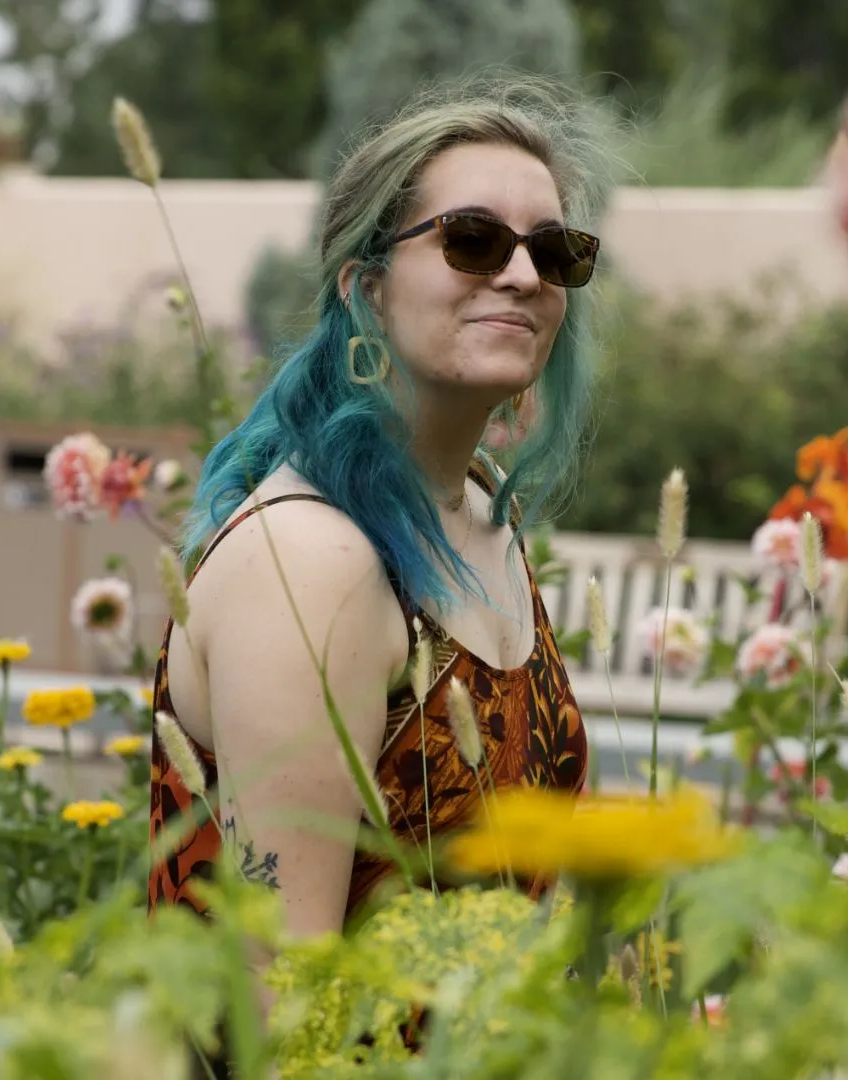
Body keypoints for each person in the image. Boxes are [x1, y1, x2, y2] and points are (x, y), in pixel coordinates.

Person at [147, 71, 609, 1017]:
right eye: (472, 240)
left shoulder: (482, 510)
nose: (522, 275)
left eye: (554, 251)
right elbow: (283, 1006)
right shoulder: (316, 560)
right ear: (364, 288)